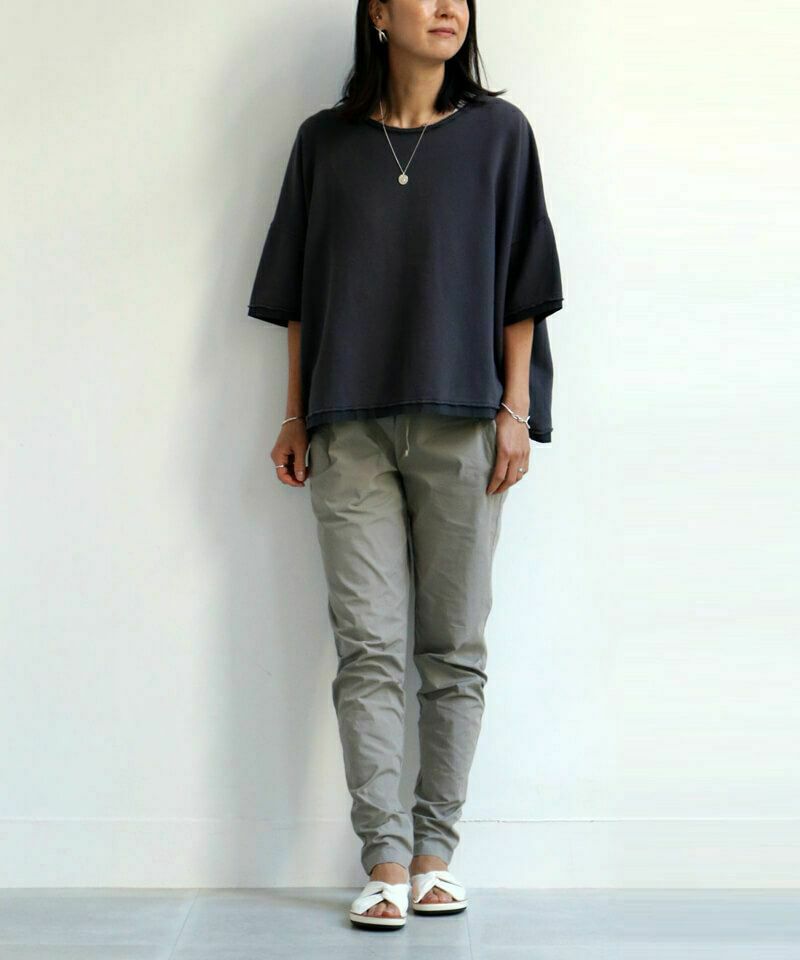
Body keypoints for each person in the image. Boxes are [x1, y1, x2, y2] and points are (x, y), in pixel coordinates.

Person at [247, 0, 563, 932]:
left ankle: (435, 857)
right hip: (347, 426)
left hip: (467, 421)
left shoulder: (500, 135)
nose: (448, 7)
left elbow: (524, 285)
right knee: (369, 649)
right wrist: (295, 412)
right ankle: (384, 859)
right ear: (379, 13)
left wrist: (517, 411)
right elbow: (300, 295)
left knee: (452, 647)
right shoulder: (324, 144)